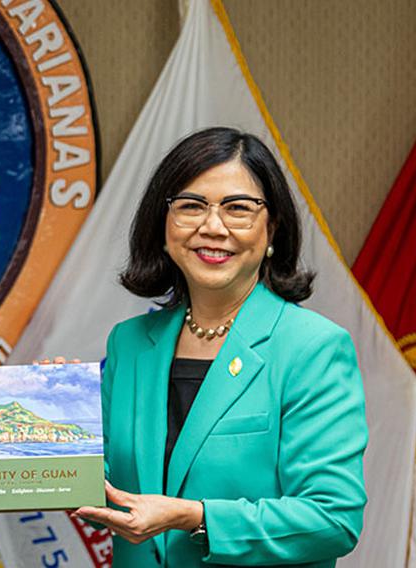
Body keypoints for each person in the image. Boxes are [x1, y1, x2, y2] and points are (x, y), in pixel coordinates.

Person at [75, 127, 368, 567]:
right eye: (191, 206)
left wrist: (195, 517)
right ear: (163, 225)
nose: (212, 227)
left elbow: (333, 518)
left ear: (272, 230)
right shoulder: (130, 344)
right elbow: (107, 498)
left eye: (238, 209)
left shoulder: (313, 348)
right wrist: (52, 423)